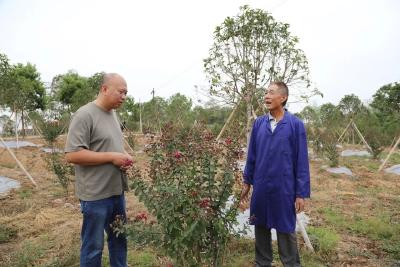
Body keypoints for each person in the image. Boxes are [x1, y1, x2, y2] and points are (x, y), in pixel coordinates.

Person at [65, 73, 133, 267]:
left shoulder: (113, 114)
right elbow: (72, 154)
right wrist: (113, 157)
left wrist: (124, 155)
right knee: (93, 246)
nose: (124, 97)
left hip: (116, 192)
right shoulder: (84, 115)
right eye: (121, 92)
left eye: (126, 93)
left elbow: (110, 145)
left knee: (119, 240)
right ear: (104, 89)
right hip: (95, 196)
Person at [240, 81, 310, 267]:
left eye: (271, 93)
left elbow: (301, 160)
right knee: (260, 225)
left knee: (286, 228)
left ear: (283, 97)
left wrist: (301, 193)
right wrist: (247, 181)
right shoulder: (259, 124)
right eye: (265, 93)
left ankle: (291, 264)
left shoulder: (295, 125)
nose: (266, 96)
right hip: (261, 185)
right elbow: (252, 155)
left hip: (284, 187)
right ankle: (262, 262)